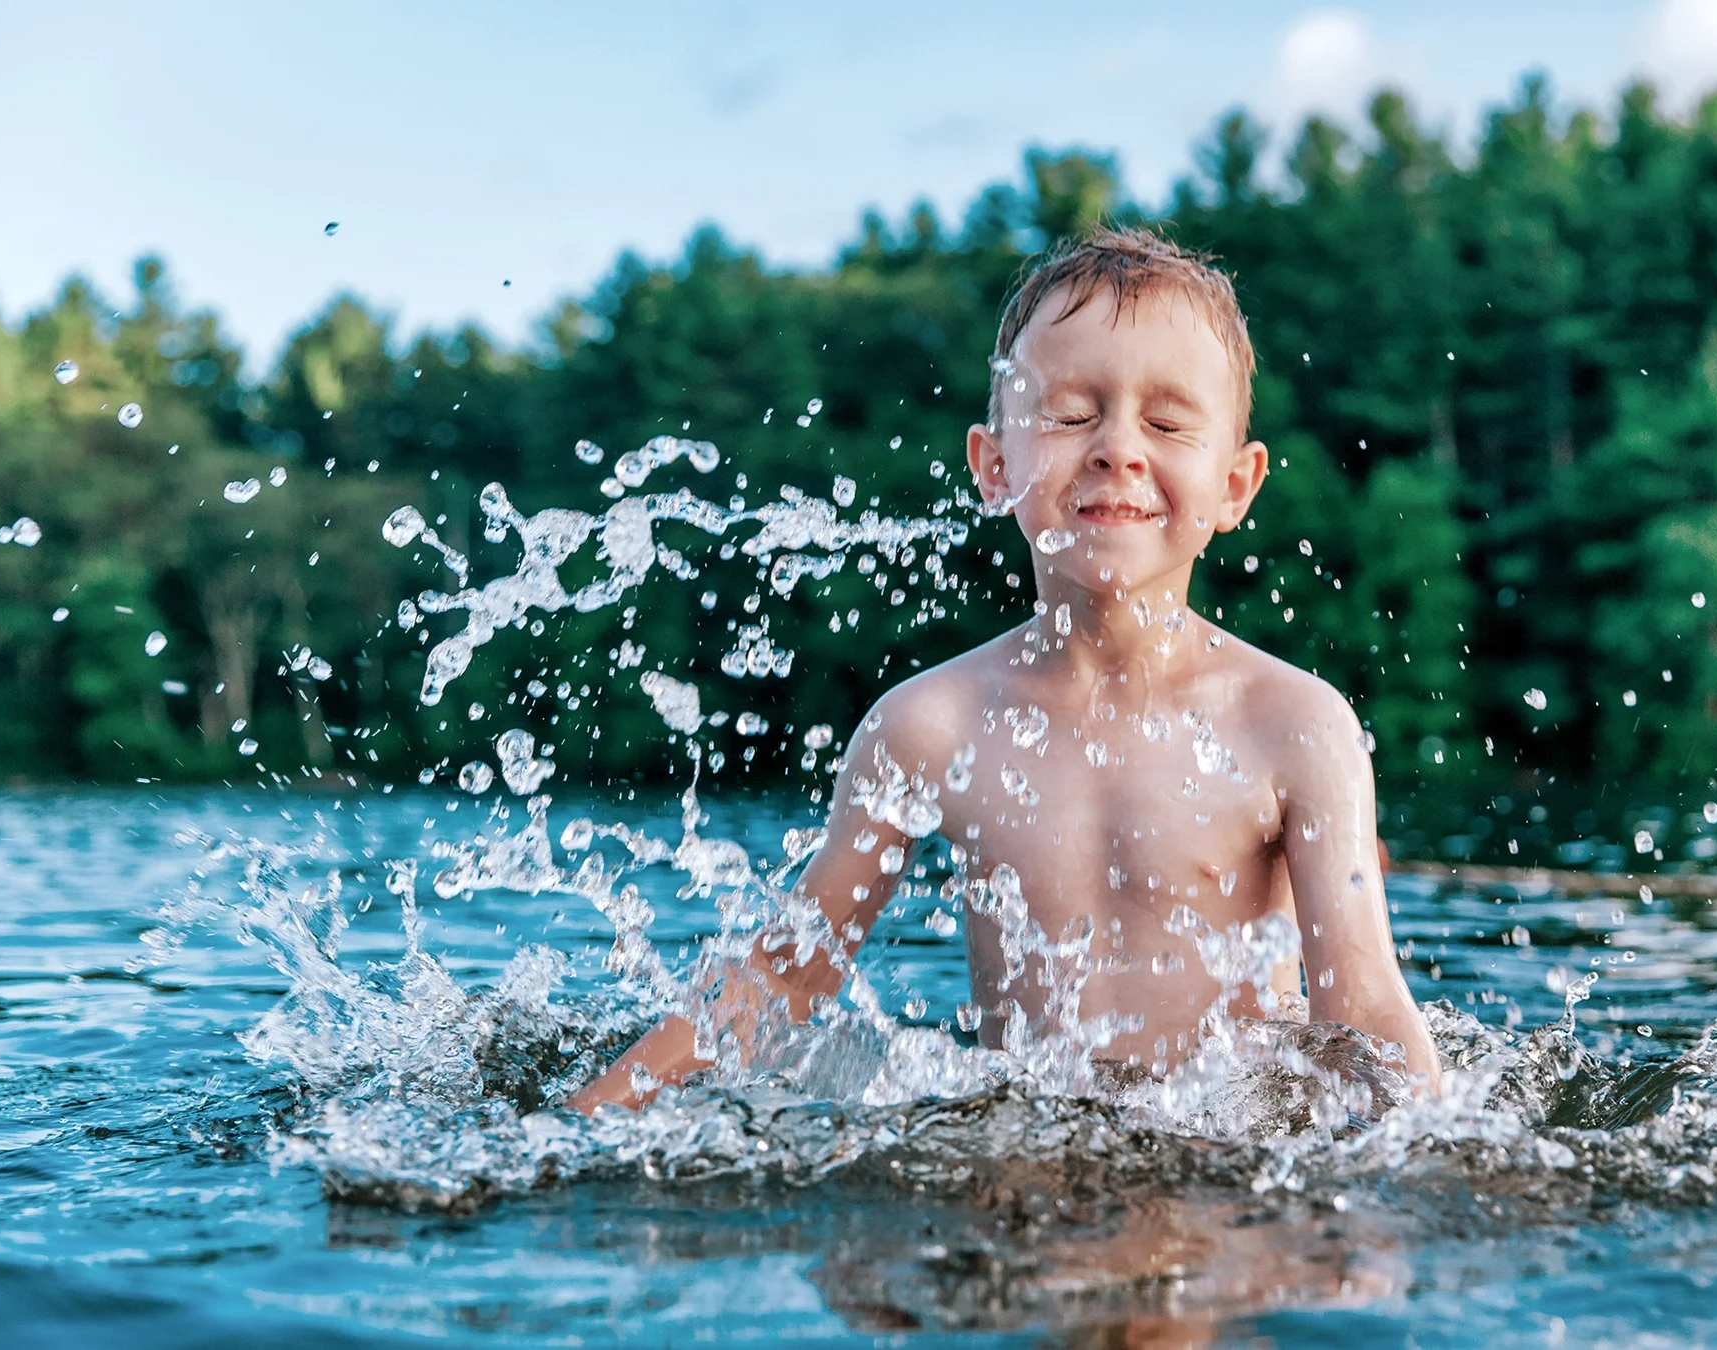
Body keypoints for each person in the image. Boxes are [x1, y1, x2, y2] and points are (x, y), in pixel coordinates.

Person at [567, 226, 1440, 1114]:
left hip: (1235, 1175)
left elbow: (1363, 1009)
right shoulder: (930, 725)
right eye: (1069, 415)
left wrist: (1413, 1211)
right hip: (1026, 1164)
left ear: (1235, 487)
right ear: (994, 466)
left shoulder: (1293, 726)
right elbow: (788, 977)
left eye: (1168, 422)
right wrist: (583, 1125)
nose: (1117, 448)